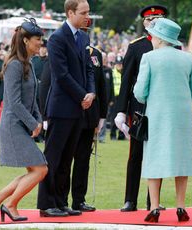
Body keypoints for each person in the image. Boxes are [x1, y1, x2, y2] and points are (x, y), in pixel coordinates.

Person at [0, 18, 48, 222]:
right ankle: (10, 204)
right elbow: (15, 103)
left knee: (33, 169)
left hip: (22, 125)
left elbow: (32, 97)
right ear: (25, 40)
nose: (40, 44)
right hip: (12, 125)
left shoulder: (29, 64)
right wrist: (33, 123)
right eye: (37, 39)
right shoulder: (14, 65)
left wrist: (37, 119)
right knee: (41, 169)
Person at [134, 18, 192, 222]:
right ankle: (181, 207)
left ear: (160, 38)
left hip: (157, 116)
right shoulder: (187, 58)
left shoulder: (149, 58)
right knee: (182, 160)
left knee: (154, 159)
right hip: (182, 117)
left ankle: (154, 207)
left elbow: (139, 93)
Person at [37, 0, 95, 217]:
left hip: (78, 108)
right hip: (61, 108)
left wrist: (91, 93)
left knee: (67, 158)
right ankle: (46, 203)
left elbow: (89, 68)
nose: (87, 16)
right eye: (83, 12)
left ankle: (61, 201)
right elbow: (61, 75)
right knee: (53, 157)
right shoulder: (57, 39)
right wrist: (83, 95)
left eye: (88, 12)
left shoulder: (83, 37)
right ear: (70, 13)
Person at [114, 4, 168, 211]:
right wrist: (120, 110)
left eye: (157, 19)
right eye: (149, 20)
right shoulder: (136, 47)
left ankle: (152, 200)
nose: (153, 23)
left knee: (159, 154)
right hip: (139, 109)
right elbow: (126, 80)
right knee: (136, 154)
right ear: (144, 23)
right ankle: (130, 199)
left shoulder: (172, 46)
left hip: (162, 107)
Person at [68, 18, 107, 212]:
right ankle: (60, 200)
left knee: (83, 161)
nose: (84, 34)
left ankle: (79, 200)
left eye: (86, 31)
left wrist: (101, 117)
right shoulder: (65, 49)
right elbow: (50, 82)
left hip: (89, 115)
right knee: (64, 160)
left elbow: (101, 87)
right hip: (68, 113)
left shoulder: (96, 55)